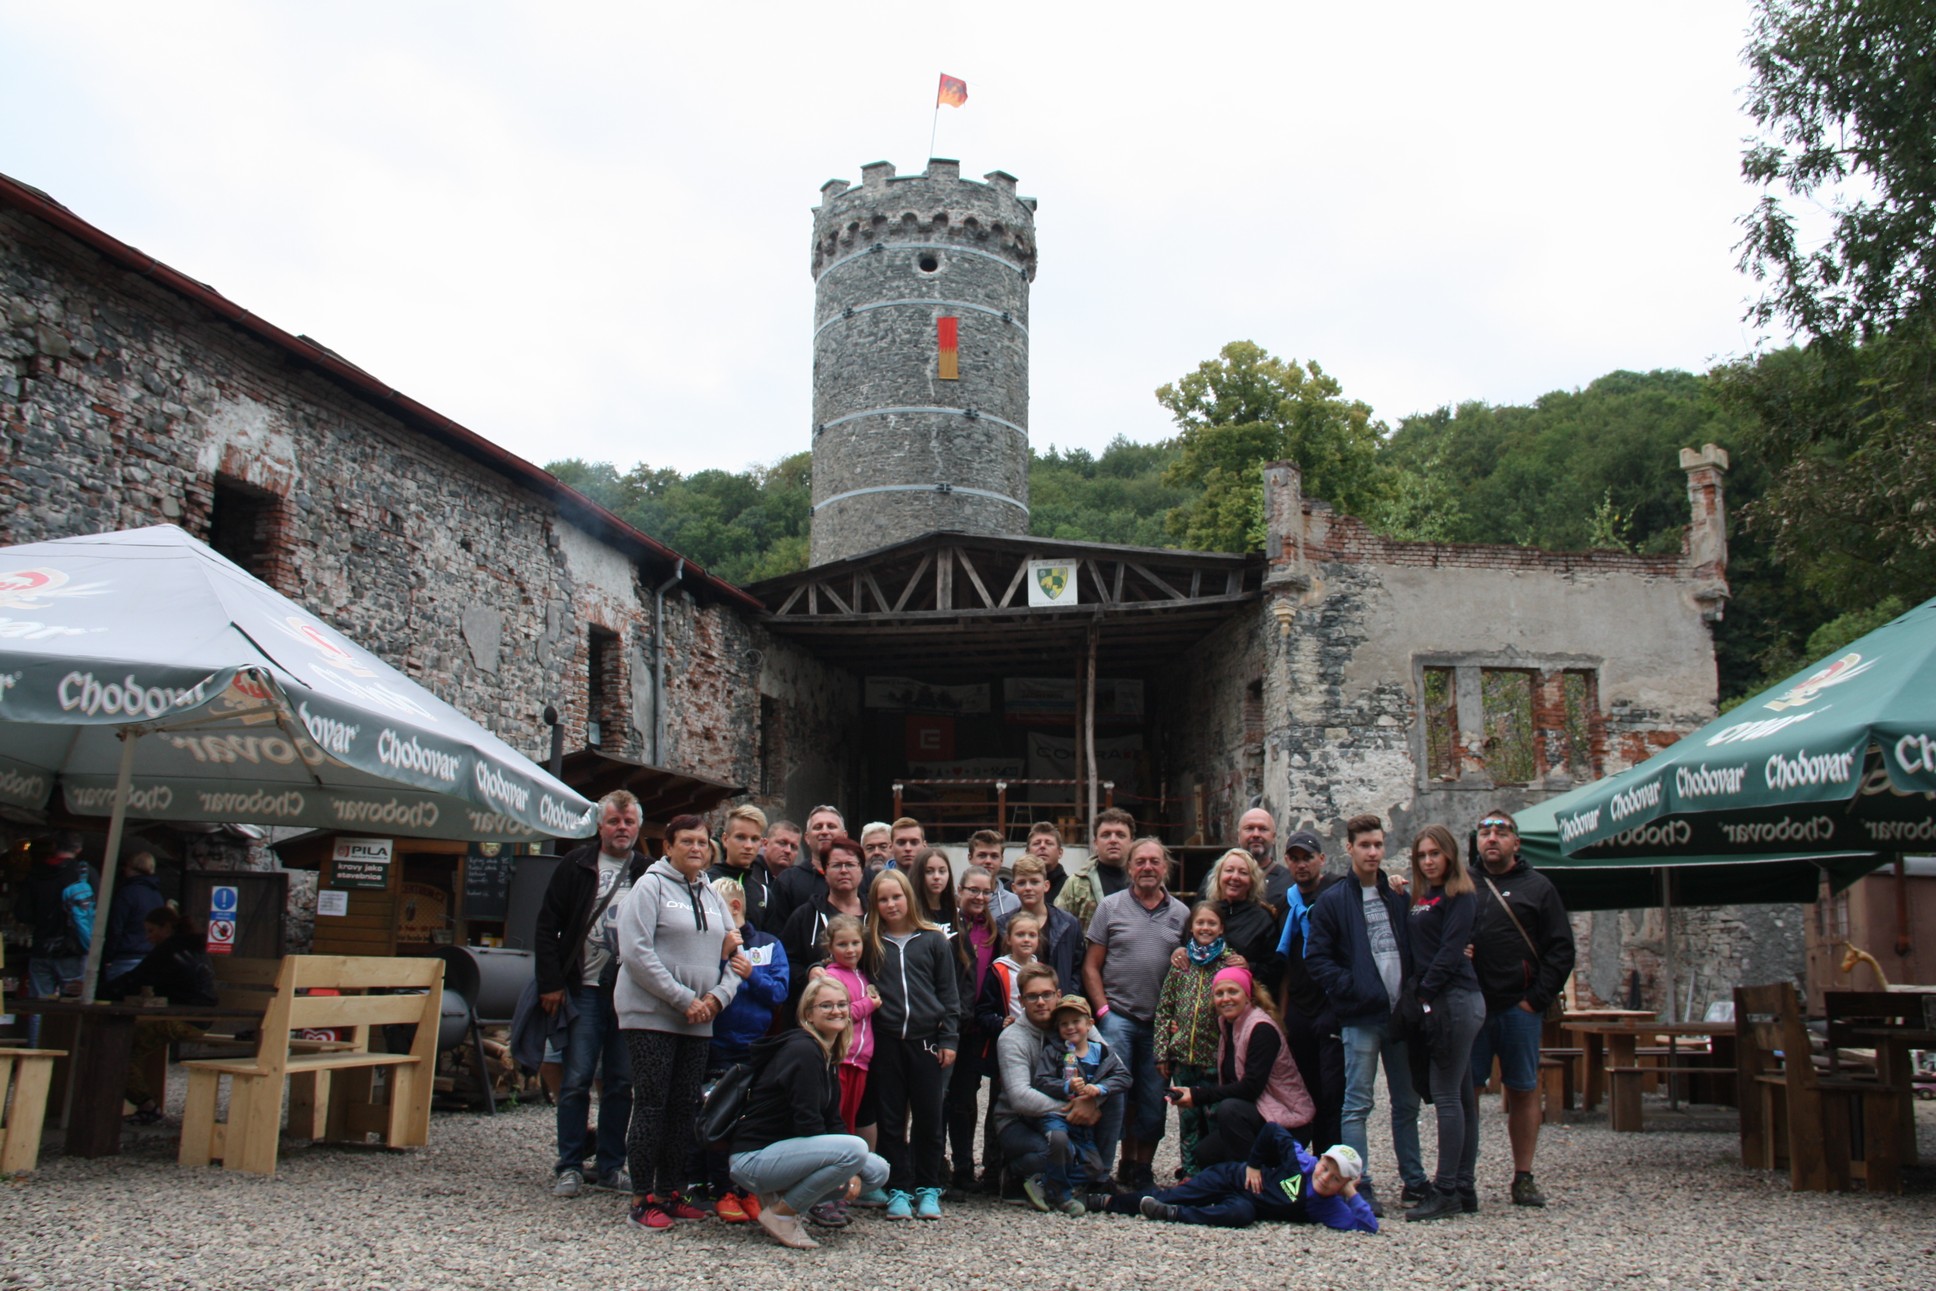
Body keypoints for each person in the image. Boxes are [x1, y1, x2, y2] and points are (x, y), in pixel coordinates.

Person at [614, 813, 742, 1230]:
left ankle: (670, 1190)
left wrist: (717, 999)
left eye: (702, 842)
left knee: (685, 1106)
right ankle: (641, 1197)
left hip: (700, 1018)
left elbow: (736, 956)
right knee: (652, 1103)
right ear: (668, 846)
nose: (695, 849)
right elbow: (636, 952)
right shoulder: (649, 887)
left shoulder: (712, 894)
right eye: (686, 841)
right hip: (652, 1014)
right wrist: (683, 999)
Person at [1303, 813, 1426, 1218]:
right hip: (1359, 1016)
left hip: (1399, 1015)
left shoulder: (1397, 896)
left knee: (1406, 1102)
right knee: (1357, 1104)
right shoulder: (1333, 901)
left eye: (1378, 845)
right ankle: (1360, 1181)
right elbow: (1316, 957)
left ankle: (1414, 1179)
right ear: (1350, 849)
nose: (1372, 852)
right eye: (1365, 845)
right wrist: (1353, 987)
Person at [534, 790, 646, 1198]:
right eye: (614, 821)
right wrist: (550, 983)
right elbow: (546, 925)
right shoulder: (577, 865)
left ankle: (611, 1165)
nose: (622, 828)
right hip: (582, 989)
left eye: (628, 822)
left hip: (628, 994)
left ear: (638, 826)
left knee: (620, 1082)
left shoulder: (647, 871)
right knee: (576, 1079)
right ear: (600, 825)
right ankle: (569, 1165)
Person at [728, 976, 891, 1250]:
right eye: (826, 1006)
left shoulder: (827, 1052)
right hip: (754, 1158)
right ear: (808, 1014)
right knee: (855, 1151)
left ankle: (781, 1199)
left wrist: (851, 1167)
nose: (836, 1011)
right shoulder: (803, 1050)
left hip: (785, 1153)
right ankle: (783, 1213)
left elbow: (832, 1121)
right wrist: (847, 1167)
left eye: (842, 1004)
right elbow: (808, 1122)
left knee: (877, 1171)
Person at [1467, 808, 1576, 1209]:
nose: (1492, 838)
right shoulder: (1462, 884)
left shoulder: (1539, 888)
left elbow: (1561, 949)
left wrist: (1535, 999)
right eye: (1485, 832)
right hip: (1474, 1006)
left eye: (1501, 832)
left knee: (1523, 1089)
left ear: (1516, 842)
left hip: (1519, 1006)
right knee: (1468, 1090)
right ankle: (1463, 1176)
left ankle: (1524, 1175)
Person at [1081, 834, 1188, 1189]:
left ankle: (1141, 1166)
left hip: (1160, 1024)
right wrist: (1103, 1011)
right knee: (1113, 1094)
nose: (1147, 867)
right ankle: (1105, 1167)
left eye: (1154, 861)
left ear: (1165, 868)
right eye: (1140, 861)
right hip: (1119, 1017)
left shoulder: (1181, 914)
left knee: (1153, 1097)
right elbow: (1091, 965)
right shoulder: (1110, 907)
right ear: (1129, 868)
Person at [862, 866, 959, 1220]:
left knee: (929, 1118)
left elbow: (948, 993)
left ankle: (928, 1186)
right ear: (874, 904)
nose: (891, 904)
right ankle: (898, 1188)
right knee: (890, 1119)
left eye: (897, 897)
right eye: (883, 899)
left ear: (909, 898)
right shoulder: (871, 942)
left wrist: (949, 1038)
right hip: (887, 1041)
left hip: (926, 1041)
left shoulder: (933, 940)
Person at [1402, 825, 1484, 1222]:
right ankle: (1464, 1186)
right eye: (1422, 855)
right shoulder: (1423, 896)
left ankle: (1447, 1188)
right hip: (1442, 998)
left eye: (1435, 853)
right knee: (1462, 1096)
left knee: (1447, 1095)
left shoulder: (1460, 895)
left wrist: (1422, 994)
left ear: (1450, 855)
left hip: (1453, 999)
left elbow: (1451, 951)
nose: (1428, 861)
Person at [704, 877, 789, 1222]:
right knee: (717, 1115)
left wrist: (752, 975)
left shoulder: (769, 944)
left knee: (751, 1119)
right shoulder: (708, 945)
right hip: (715, 1047)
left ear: (735, 907)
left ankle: (749, 1189)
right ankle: (721, 1188)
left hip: (756, 1049)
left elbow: (779, 993)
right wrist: (721, 957)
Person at [1170, 966, 1313, 1169]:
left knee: (1230, 1110)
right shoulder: (1227, 1025)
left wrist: (1197, 1095)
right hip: (1258, 1115)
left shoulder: (1261, 1028)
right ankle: (1237, 1179)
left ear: (1248, 996)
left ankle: (1251, 1179)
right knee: (1206, 1153)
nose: (1226, 999)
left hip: (1287, 1121)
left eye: (1233, 991)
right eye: (1219, 993)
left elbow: (1251, 1087)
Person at [992, 964, 1113, 1196]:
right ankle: (1015, 1174)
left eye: (1046, 994)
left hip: (1068, 1111)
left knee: (1114, 1095)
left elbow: (1112, 1067)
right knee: (1055, 1153)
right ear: (1021, 1000)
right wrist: (1074, 1109)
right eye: (1032, 996)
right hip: (1021, 1120)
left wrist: (1092, 1102)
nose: (1040, 1002)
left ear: (1058, 995)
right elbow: (1020, 1097)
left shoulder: (1074, 1022)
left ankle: (1100, 1178)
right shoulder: (1012, 1038)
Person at [1093, 1135, 1376, 1234]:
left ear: (1344, 1184)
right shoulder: (1303, 1162)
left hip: (1247, 1202)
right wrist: (1254, 1163)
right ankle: (1105, 1202)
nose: (1325, 1178)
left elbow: (1368, 1226)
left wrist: (1350, 1192)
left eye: (1335, 1178)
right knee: (1174, 1194)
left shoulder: (1329, 1206)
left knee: (1241, 1215)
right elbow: (1273, 1131)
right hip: (1233, 1176)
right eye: (1326, 1168)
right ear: (1321, 1159)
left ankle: (1175, 1215)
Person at [102, 905, 216, 1124]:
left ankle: (146, 1104)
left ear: (166, 927)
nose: (148, 937)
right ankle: (144, 1102)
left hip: (182, 1020)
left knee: (119, 1046)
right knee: (130, 1043)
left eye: (151, 931)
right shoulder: (192, 946)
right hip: (199, 1018)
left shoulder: (169, 950)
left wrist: (98, 992)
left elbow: (135, 980)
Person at [1274, 829, 1344, 1155]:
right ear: (1287, 862)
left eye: (1308, 858)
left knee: (1333, 1088)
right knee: (1303, 1087)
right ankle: (1304, 1163)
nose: (1302, 865)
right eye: (1295, 859)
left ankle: (1330, 1157)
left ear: (1322, 859)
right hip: (1300, 1006)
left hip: (1331, 1002)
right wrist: (1283, 1013)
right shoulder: (1285, 904)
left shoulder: (1338, 892)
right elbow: (1286, 964)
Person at [1027, 994, 1130, 1215]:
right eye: (1064, 1023)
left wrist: (1100, 1089)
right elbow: (1041, 1080)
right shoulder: (1054, 1052)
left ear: (1089, 1024)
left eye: (1076, 1021)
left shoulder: (1102, 1051)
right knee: (1058, 1140)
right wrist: (1066, 1087)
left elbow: (1123, 1077)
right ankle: (1063, 1197)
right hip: (1058, 1115)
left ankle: (1047, 1184)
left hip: (1085, 1122)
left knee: (1095, 1167)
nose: (1070, 1027)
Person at [1155, 902, 1235, 1176]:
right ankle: (1190, 1173)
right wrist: (1162, 1052)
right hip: (1183, 1060)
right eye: (1200, 923)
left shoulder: (1228, 963)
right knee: (1188, 1120)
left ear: (1221, 928)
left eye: (1212, 923)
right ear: (1191, 927)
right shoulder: (1181, 964)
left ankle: (1215, 1174)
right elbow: (1164, 1009)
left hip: (1213, 1059)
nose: (1205, 928)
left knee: (1214, 1118)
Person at [945, 866, 1004, 1191]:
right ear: (960, 891)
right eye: (973, 890)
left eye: (986, 892)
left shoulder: (996, 932)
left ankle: (964, 1166)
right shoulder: (948, 927)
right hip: (947, 1022)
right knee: (939, 1097)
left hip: (976, 1026)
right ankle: (935, 1162)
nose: (980, 897)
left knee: (965, 1099)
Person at [1167, 849, 1284, 995]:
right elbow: (1185, 944)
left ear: (1252, 880)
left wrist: (1250, 966)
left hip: (1242, 999)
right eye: (1229, 870)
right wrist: (1179, 951)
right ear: (1218, 876)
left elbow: (1275, 969)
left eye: (1243, 872)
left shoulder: (1262, 919)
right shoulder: (1204, 912)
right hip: (1199, 999)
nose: (1235, 877)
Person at [24, 829, 95, 1045]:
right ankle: (67, 1052)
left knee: (39, 1006)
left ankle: (35, 1052)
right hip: (73, 950)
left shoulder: (36, 873)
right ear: (79, 849)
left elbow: (22, 913)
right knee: (72, 1006)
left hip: (41, 947)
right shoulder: (85, 873)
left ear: (54, 847)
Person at [779, 839, 868, 1004]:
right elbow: (784, 961)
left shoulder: (875, 915)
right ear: (825, 872)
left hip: (871, 1010)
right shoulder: (806, 915)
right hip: (819, 1009)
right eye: (836, 865)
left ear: (862, 870)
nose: (843, 870)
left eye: (850, 864)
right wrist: (808, 973)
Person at [1000, 854, 1083, 994]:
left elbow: (1078, 970)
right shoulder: (1002, 925)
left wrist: (1069, 1000)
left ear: (1046, 885)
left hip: (1061, 1001)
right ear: (1013, 888)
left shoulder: (1068, 924)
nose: (1028, 888)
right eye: (1021, 883)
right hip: (1017, 1002)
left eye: (1034, 882)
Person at [763, 805, 845, 934]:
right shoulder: (788, 881)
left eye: (831, 826)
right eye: (818, 827)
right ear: (807, 838)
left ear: (844, 835)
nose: (824, 831)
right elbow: (776, 932)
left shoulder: (862, 877)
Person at [1055, 807, 1135, 927]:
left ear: (1131, 842)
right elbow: (1057, 927)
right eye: (1106, 835)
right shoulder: (1075, 884)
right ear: (1095, 843)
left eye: (1120, 835)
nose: (1113, 840)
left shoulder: (1143, 881)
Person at [709, 804, 776, 932]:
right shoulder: (706, 882)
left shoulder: (764, 894)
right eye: (740, 837)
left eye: (754, 839)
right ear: (725, 839)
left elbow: (768, 940)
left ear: (762, 843)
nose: (748, 845)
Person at [102, 851, 165, 985]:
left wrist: (107, 956)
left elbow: (115, 928)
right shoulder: (157, 896)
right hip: (148, 956)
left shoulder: (127, 893)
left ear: (130, 868)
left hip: (125, 956)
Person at [980, 911, 1041, 1029]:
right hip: (1011, 1033)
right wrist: (1000, 1023)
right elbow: (983, 1012)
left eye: (1032, 935)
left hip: (1039, 1033)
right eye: (1020, 934)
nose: (1026, 939)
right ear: (1008, 939)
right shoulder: (998, 971)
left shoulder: (1042, 970)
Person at [1236, 808, 1295, 911]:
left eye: (1263, 829)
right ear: (1239, 836)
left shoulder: (1289, 882)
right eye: (1249, 828)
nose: (1256, 834)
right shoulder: (1221, 879)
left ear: (1274, 837)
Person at [966, 830, 1020, 919]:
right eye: (982, 855)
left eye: (994, 856)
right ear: (970, 857)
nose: (988, 861)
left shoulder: (1015, 903)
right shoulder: (958, 901)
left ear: (1001, 860)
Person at [1025, 821, 1071, 906]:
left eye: (1049, 843)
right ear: (1027, 852)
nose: (1042, 846)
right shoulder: (1014, 889)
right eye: (1036, 843)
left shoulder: (1071, 888)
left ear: (1060, 852)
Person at [910, 846, 958, 929]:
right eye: (929, 871)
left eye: (942, 871)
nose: (936, 877)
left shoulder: (954, 911)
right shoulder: (910, 912)